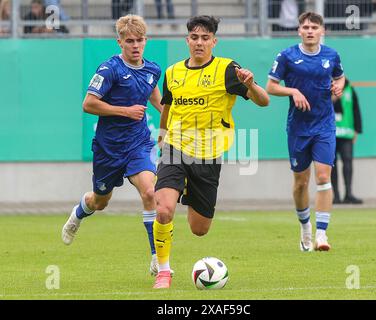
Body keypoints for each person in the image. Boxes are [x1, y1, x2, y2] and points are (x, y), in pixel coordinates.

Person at [152, 15, 269, 289]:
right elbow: (168, 109)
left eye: (205, 38)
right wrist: (162, 138)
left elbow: (264, 102)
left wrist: (251, 84)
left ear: (214, 41)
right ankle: (164, 271)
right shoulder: (172, 73)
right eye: (194, 37)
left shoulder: (228, 70)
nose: (199, 43)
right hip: (175, 149)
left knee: (199, 229)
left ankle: (188, 192)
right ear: (187, 40)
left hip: (208, 156)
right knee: (164, 209)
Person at [61, 14, 164, 276]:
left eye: (139, 40)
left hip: (138, 143)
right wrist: (125, 111)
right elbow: (88, 104)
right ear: (119, 42)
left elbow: (156, 99)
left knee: (150, 192)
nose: (135, 45)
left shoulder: (153, 69)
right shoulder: (109, 70)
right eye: (129, 41)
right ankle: (79, 213)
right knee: (100, 201)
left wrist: (171, 122)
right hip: (109, 148)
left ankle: (156, 257)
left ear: (146, 40)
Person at [266, 12, 345, 252]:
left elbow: (340, 78)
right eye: (306, 27)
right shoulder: (287, 56)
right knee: (301, 183)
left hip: (324, 126)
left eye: (314, 27)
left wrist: (338, 86)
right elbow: (270, 87)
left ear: (322, 31)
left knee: (323, 177)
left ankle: (322, 234)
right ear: (299, 31)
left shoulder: (332, 55)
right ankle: (305, 228)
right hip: (298, 128)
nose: (310, 31)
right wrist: (293, 92)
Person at [332, 78, 363, 204]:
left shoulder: (350, 89)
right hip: (330, 134)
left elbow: (356, 109)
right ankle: (335, 195)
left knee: (348, 163)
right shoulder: (326, 88)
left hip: (347, 133)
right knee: (331, 165)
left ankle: (348, 193)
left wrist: (357, 130)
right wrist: (331, 100)